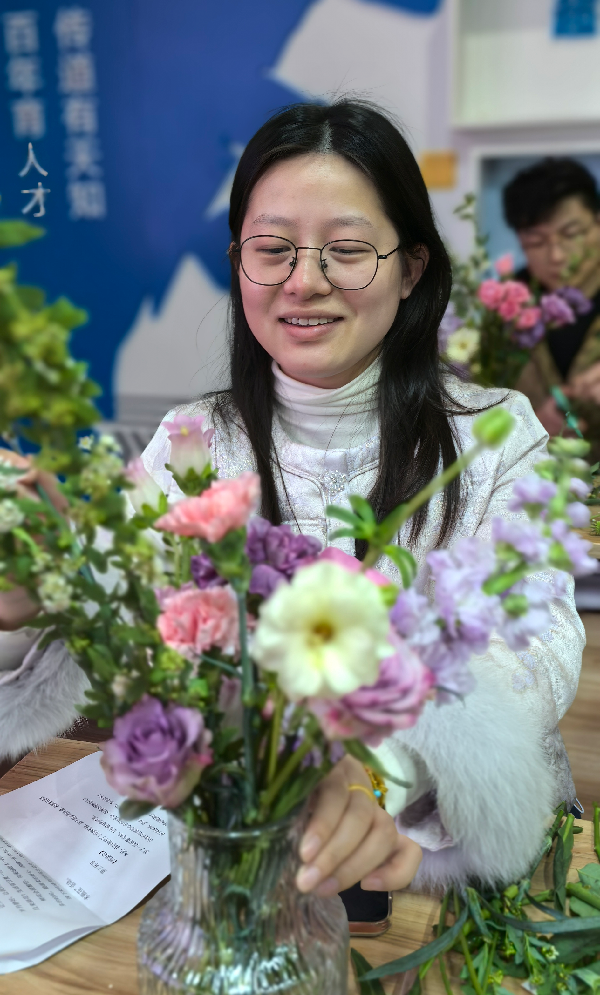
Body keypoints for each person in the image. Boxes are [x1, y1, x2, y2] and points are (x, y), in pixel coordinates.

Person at [0, 103, 584, 898]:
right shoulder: (194, 442)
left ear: (411, 268)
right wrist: (37, 596)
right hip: (251, 869)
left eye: (346, 250)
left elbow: (537, 647)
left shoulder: (495, 436)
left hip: (449, 871)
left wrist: (371, 770)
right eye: (272, 250)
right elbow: (121, 634)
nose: (304, 281)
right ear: (239, 262)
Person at [502, 157, 600, 450]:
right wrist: (527, 428)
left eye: (571, 234)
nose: (556, 255)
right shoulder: (504, 310)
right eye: (536, 241)